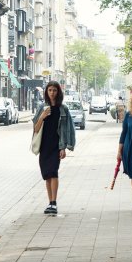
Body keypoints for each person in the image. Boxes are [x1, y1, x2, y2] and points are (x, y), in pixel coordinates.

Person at [32, 81, 76, 215]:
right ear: (46, 92)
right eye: (50, 90)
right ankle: (50, 202)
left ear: (58, 92)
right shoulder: (42, 108)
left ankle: (54, 203)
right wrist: (43, 116)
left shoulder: (63, 109)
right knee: (47, 175)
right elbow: (36, 128)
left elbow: (69, 128)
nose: (52, 93)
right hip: (44, 146)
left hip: (56, 146)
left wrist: (64, 147)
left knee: (53, 172)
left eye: (54, 90)